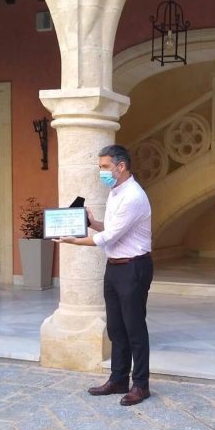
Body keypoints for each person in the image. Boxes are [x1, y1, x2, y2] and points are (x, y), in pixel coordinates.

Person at [53, 144, 153, 406]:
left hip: (133, 267)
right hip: (115, 267)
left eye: (105, 167)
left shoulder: (133, 196)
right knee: (116, 328)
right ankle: (119, 379)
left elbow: (109, 236)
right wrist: (89, 222)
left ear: (121, 167)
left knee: (134, 328)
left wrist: (74, 241)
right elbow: (110, 227)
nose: (102, 172)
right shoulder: (116, 192)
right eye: (100, 167)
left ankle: (141, 385)